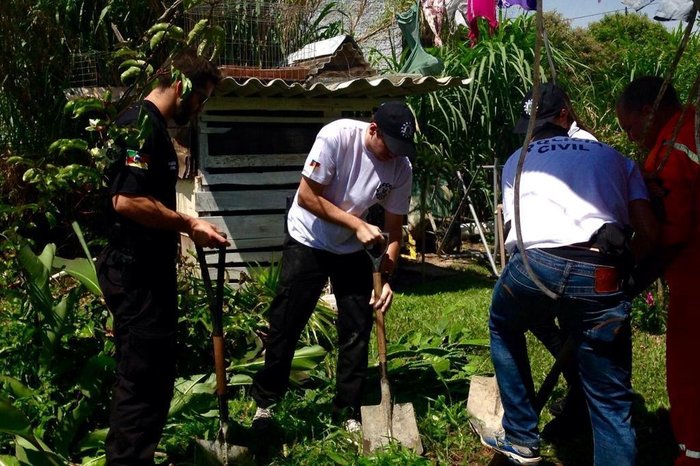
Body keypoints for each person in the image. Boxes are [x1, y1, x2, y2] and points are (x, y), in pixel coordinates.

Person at [479, 82, 657, 465]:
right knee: (610, 404)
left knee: (505, 323)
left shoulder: (517, 159)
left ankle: (522, 437)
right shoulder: (614, 157)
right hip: (599, 271)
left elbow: (516, 235)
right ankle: (582, 393)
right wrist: (624, 276)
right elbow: (649, 232)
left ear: (561, 117)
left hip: (534, 267)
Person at [96, 49, 230, 466]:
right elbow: (126, 200)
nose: (200, 107)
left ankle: (142, 456)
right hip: (134, 275)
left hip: (151, 275)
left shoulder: (154, 128)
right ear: (180, 86)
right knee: (140, 380)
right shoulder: (140, 127)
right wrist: (188, 225)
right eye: (201, 97)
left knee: (154, 377)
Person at [249, 101, 416, 432]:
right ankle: (265, 403)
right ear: (373, 129)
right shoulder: (336, 137)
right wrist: (356, 224)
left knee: (357, 327)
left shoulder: (401, 167)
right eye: (390, 147)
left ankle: (347, 410)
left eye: (401, 149)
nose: (394, 155)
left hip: (353, 248)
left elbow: (395, 232)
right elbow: (306, 197)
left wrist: (387, 276)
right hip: (308, 237)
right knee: (287, 321)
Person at [617, 76, 700, 466]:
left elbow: (669, 235)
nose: (632, 137)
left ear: (650, 112)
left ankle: (692, 453)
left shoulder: (672, 151)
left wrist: (630, 280)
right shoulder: (691, 126)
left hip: (695, 284)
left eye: (631, 126)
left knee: (688, 374)